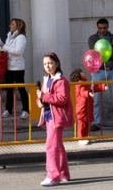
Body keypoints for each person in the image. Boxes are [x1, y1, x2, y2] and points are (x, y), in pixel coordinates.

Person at [36, 52, 74, 187]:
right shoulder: (46, 79)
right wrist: (39, 101)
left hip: (56, 116)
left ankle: (53, 175)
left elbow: (62, 98)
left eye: (50, 63)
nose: (48, 66)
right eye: (45, 64)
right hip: (48, 115)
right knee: (57, 146)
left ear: (57, 64)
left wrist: (44, 97)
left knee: (51, 146)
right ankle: (63, 173)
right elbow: (42, 97)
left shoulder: (61, 80)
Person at [88, 18, 113, 132]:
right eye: (100, 28)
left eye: (104, 28)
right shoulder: (93, 38)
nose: (102, 30)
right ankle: (96, 122)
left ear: (108, 27)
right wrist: (108, 53)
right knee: (97, 100)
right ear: (97, 28)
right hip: (98, 71)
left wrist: (105, 54)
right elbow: (94, 53)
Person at [0, 18, 29, 119]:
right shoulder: (9, 36)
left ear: (18, 26)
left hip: (17, 66)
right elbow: (4, 49)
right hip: (9, 66)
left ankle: (25, 110)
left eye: (12, 24)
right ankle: (8, 109)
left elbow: (18, 51)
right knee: (9, 89)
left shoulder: (21, 37)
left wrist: (4, 46)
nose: (10, 25)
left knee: (21, 88)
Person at [70, 68, 107, 145]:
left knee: (87, 123)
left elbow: (93, 88)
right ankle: (80, 138)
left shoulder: (86, 83)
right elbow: (82, 92)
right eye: (82, 72)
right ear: (78, 76)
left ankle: (87, 136)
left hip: (87, 107)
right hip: (82, 108)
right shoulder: (79, 84)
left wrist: (103, 87)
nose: (84, 73)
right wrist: (88, 93)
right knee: (82, 124)